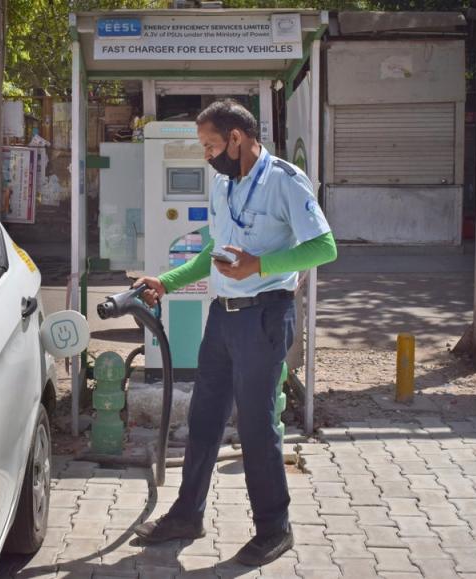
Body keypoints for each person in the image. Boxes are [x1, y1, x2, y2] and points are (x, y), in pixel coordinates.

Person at [132, 99, 337, 567]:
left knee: (256, 426)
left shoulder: (284, 181)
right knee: (203, 418)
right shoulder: (223, 184)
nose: (205, 154)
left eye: (210, 145)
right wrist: (165, 282)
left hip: (265, 317)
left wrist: (260, 266)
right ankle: (187, 514)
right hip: (222, 317)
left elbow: (324, 247)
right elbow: (211, 253)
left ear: (237, 139)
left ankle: (274, 529)